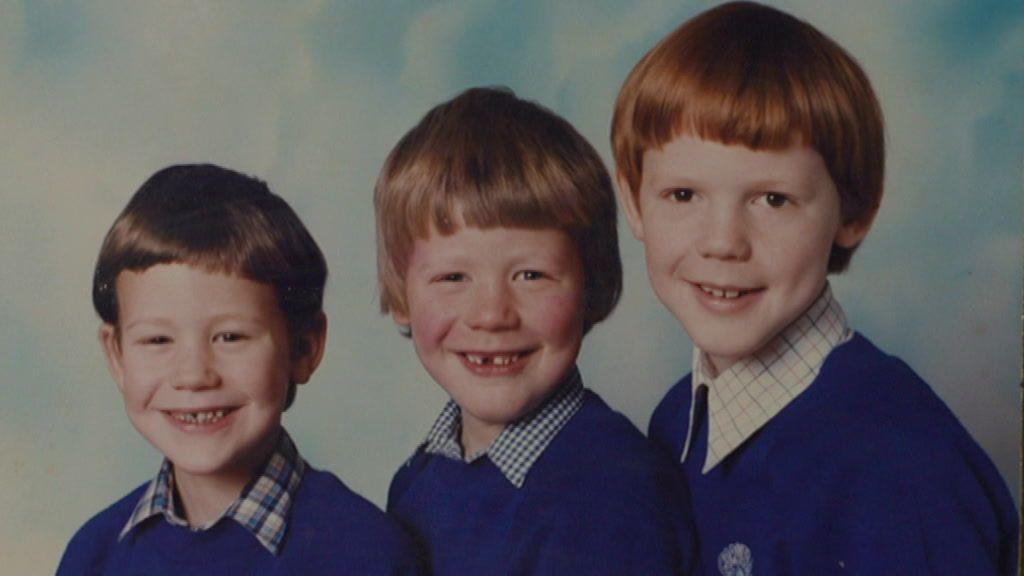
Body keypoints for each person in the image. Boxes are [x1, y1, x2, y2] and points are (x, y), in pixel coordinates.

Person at [612, 3, 1018, 574]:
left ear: (853, 211)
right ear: (633, 202)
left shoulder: (898, 469)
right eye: (683, 195)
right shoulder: (678, 421)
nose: (723, 243)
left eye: (773, 199)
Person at [376, 86, 698, 575]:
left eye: (531, 276)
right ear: (402, 296)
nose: (491, 315)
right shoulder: (420, 479)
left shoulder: (613, 497)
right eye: (452, 278)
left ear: (592, 285)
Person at [58, 164, 422, 575]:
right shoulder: (95, 554)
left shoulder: (365, 553)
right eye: (158, 340)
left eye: (230, 337)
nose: (194, 376)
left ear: (303, 347)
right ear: (117, 356)